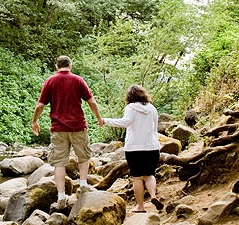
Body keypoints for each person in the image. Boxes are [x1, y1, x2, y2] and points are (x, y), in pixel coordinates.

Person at [32, 55, 104, 207]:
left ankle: (61, 196)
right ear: (70, 65)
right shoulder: (78, 80)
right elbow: (91, 102)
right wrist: (98, 117)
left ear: (56, 66)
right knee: (83, 156)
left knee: (59, 162)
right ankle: (83, 185)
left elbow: (40, 106)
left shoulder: (50, 81)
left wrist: (35, 121)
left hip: (58, 128)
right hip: (78, 126)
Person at [101, 85, 163, 213]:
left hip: (135, 147)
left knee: (137, 177)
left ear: (129, 96)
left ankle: (140, 206)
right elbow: (155, 127)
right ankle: (153, 196)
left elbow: (125, 122)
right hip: (152, 146)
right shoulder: (152, 108)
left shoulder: (130, 108)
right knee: (150, 174)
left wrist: (105, 121)